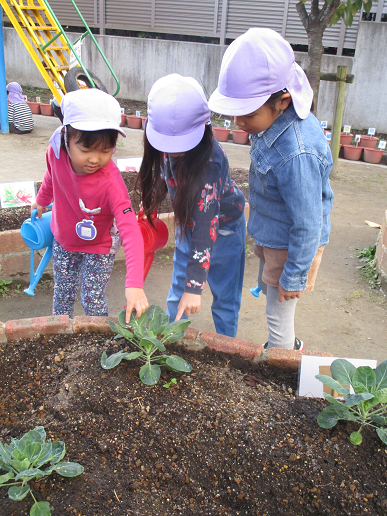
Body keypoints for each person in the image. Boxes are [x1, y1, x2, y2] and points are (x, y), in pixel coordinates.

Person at [208, 28, 334, 350]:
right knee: (272, 292)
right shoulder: (273, 123)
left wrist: (294, 276)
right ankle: (286, 348)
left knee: (278, 310)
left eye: (247, 114)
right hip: (275, 233)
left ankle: (281, 365)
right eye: (234, 112)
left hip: (293, 245)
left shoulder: (297, 154)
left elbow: (308, 223)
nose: (238, 122)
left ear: (282, 101)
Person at [139, 74, 246, 337]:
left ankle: (227, 351)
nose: (172, 150)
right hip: (190, 227)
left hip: (224, 230)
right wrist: (152, 200)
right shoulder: (168, 146)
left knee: (224, 299)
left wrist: (195, 286)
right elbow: (168, 172)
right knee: (178, 291)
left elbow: (205, 226)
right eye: (166, 143)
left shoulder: (210, 162)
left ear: (204, 126)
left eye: (179, 144)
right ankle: (170, 343)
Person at [31, 88, 148, 322]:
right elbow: (51, 177)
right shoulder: (55, 153)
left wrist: (134, 283)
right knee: (62, 296)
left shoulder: (110, 180)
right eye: (86, 150)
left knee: (92, 298)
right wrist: (42, 200)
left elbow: (129, 228)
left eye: (105, 151)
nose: (95, 159)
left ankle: (99, 339)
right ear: (66, 137)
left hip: (100, 246)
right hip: (65, 240)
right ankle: (62, 337)